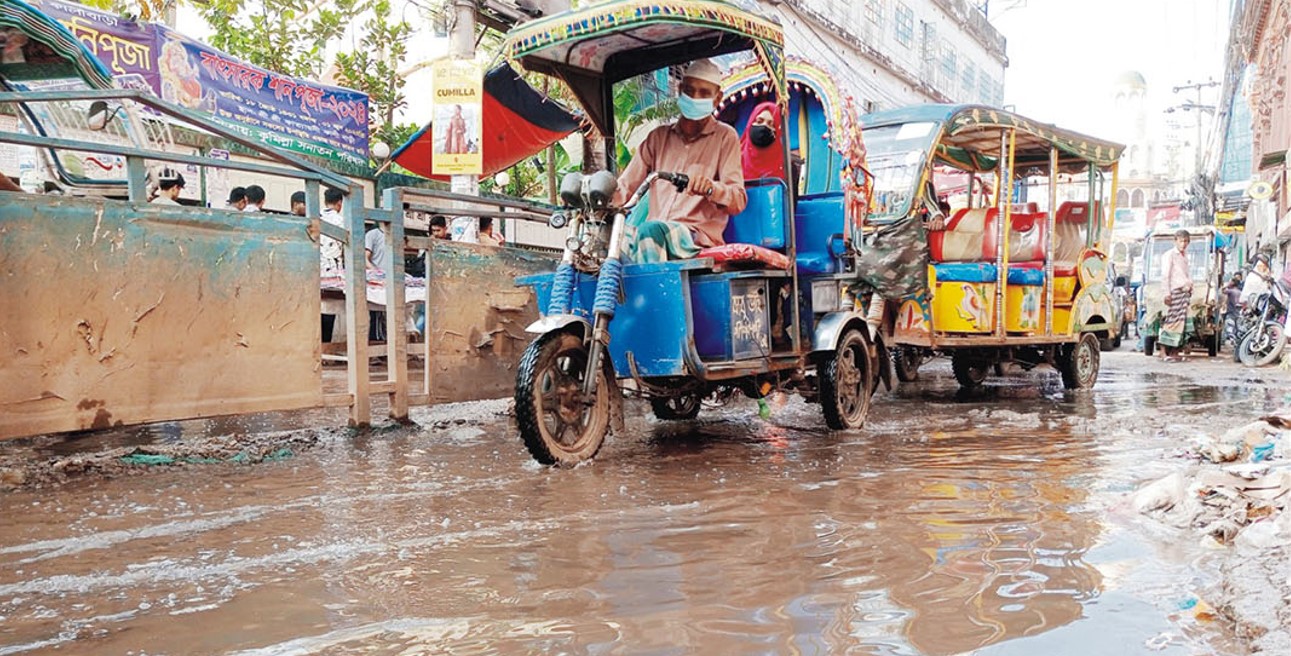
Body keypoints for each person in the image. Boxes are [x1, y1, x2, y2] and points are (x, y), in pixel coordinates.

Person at [614, 58, 747, 263]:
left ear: (717, 98)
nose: (695, 98)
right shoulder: (658, 137)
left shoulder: (725, 137)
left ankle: (656, 286)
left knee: (650, 231)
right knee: (613, 241)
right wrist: (595, 197)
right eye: (689, 91)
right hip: (656, 232)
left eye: (704, 93)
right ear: (679, 90)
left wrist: (711, 189)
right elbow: (625, 187)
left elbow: (738, 200)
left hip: (694, 237)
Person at [1158, 229, 1193, 361]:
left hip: (1185, 292)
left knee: (1182, 324)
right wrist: (1166, 294)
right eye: (1181, 241)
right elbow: (1165, 275)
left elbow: (1186, 275)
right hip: (1175, 292)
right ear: (1176, 241)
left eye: (1186, 241)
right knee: (1171, 322)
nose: (1183, 244)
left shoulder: (1185, 256)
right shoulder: (1170, 255)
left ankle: (1174, 351)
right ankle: (1163, 351)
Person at [319, 187, 344, 343]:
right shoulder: (341, 221)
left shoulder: (314, 217)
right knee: (330, 309)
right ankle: (326, 345)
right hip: (333, 274)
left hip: (313, 271)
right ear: (340, 203)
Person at [740, 101, 785, 182]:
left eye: (771, 124)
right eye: (759, 121)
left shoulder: (786, 166)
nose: (764, 126)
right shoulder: (734, 160)